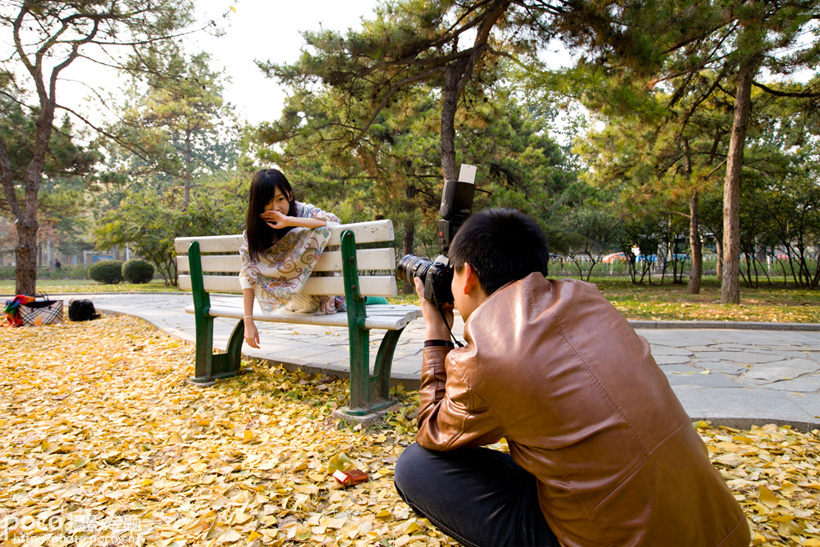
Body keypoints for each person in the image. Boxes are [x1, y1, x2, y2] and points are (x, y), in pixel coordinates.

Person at [393, 208, 750, 547]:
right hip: (722, 530)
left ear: (467, 275)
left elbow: (432, 430)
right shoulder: (590, 300)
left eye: (452, 273)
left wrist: (434, 327)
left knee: (416, 466)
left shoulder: (488, 356)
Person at [240, 168, 344, 349]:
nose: (276, 208)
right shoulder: (255, 233)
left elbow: (334, 221)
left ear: (290, 195)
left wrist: (290, 222)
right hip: (294, 299)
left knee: (371, 300)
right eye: (267, 202)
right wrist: (248, 322)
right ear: (258, 204)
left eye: (280, 199)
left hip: (323, 298)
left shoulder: (302, 212)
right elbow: (248, 273)